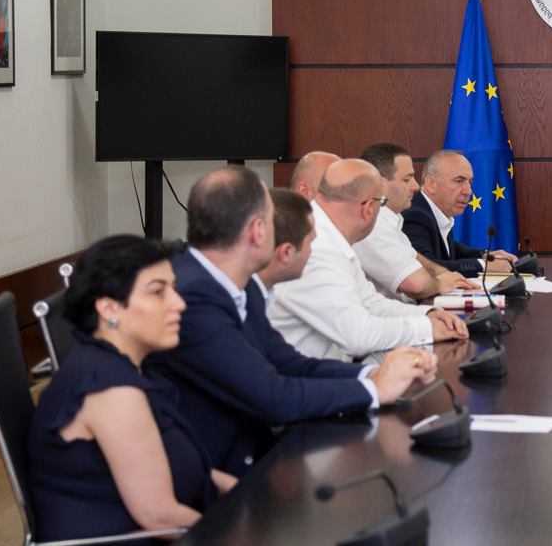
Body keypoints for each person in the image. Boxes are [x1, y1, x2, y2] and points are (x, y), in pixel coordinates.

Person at [147, 170, 437, 475]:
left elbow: (291, 364)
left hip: (256, 455)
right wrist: (375, 390)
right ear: (258, 231)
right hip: (217, 475)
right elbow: (273, 397)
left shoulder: (241, 286)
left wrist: (374, 374)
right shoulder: (193, 296)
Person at [27, 235, 235, 540]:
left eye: (173, 288)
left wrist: (242, 495)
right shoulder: (110, 390)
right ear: (110, 308)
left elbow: (173, 462)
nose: (179, 303)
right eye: (158, 292)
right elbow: (160, 517)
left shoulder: (124, 365)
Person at [271, 159, 468, 360]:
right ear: (368, 208)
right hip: (309, 374)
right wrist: (426, 328)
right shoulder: (316, 246)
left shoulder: (332, 237)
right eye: (381, 204)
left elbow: (371, 303)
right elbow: (357, 336)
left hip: (332, 368)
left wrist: (427, 314)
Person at [354, 142, 477, 301]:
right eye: (407, 179)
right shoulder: (373, 225)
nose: (416, 186)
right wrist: (440, 283)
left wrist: (446, 275)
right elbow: (417, 285)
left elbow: (420, 261)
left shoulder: (393, 220)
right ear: (381, 184)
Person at [403, 149, 518, 277]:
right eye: (459, 181)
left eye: (470, 182)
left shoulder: (434, 211)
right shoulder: (414, 215)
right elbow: (427, 268)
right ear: (431, 183)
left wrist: (485, 255)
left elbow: (450, 249)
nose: (468, 191)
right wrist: (483, 265)